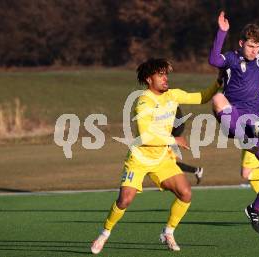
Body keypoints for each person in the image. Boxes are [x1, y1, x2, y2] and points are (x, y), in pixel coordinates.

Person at [91, 58, 222, 253]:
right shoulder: (144, 101)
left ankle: (168, 232)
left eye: (166, 74)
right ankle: (105, 233)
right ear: (148, 79)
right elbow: (145, 135)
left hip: (162, 158)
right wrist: (173, 140)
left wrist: (218, 83)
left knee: (185, 193)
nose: (165, 78)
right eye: (160, 75)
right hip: (140, 159)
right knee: (124, 200)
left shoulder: (172, 95)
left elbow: (202, 97)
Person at [209, 11, 259, 234]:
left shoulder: (258, 58)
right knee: (217, 98)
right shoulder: (232, 59)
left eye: (258, 47)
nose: (254, 51)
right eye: (251, 46)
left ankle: (255, 209)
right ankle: (240, 134)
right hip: (236, 115)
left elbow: (256, 76)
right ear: (241, 43)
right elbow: (214, 60)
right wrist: (221, 32)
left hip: (258, 119)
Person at [172, 106, 204, 184]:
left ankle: (177, 182)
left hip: (172, 134)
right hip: (170, 133)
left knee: (168, 163)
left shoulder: (169, 102)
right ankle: (196, 170)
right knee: (167, 163)